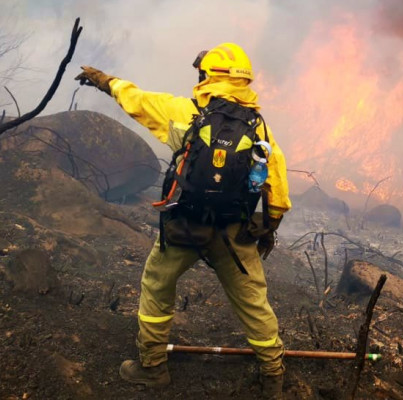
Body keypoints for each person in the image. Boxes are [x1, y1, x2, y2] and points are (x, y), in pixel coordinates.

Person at [75, 43, 291, 398]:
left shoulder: (187, 112)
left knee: (156, 285)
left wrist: (106, 81)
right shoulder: (259, 128)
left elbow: (138, 101)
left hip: (185, 226)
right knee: (254, 300)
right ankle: (273, 375)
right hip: (233, 233)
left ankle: (152, 368)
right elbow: (277, 188)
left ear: (208, 76)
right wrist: (270, 227)